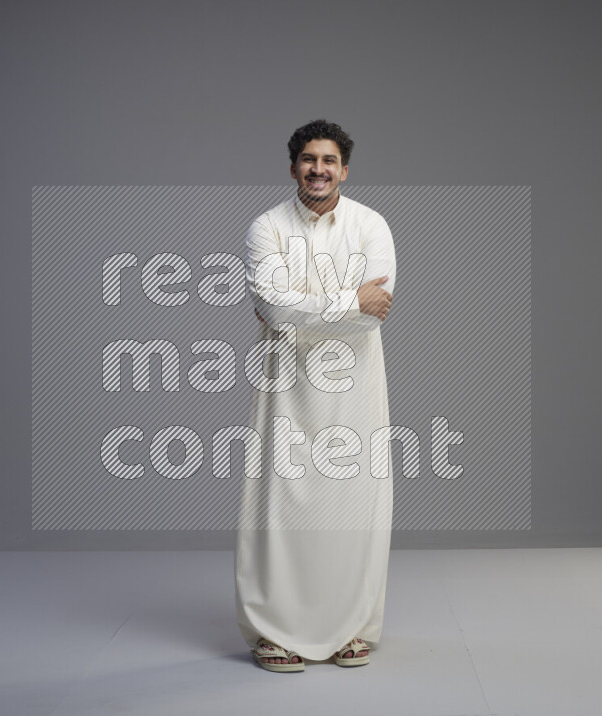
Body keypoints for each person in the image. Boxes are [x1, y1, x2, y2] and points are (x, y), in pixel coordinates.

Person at [234, 119, 396, 672]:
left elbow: (374, 319)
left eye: (328, 161)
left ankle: (352, 626)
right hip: (285, 389)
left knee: (355, 503)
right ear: (293, 168)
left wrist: (302, 302)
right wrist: (349, 299)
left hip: (355, 388)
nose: (318, 169)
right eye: (308, 159)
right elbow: (275, 308)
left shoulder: (372, 226)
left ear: (343, 170)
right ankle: (274, 633)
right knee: (278, 508)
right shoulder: (267, 228)